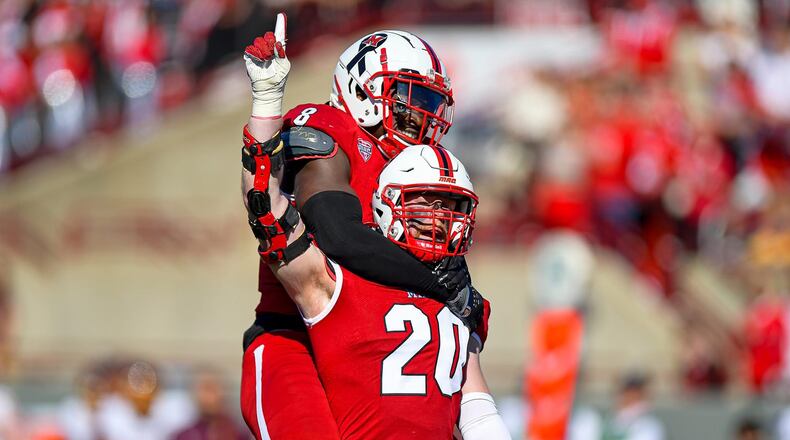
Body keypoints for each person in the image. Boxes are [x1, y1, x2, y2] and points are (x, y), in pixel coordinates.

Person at [238, 14, 486, 439]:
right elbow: (335, 231)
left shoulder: (412, 173)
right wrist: (442, 285)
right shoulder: (332, 128)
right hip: (296, 336)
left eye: (429, 105)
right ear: (360, 89)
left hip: (373, 347)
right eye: (409, 98)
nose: (420, 117)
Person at [247, 139, 508, 438]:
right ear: (389, 203)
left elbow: (479, 414)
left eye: (451, 204)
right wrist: (264, 113)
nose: (438, 216)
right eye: (424, 200)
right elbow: (267, 215)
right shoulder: (346, 278)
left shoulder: (459, 300)